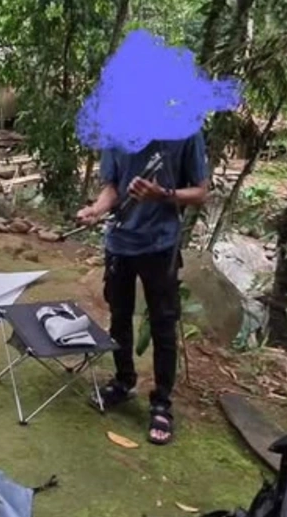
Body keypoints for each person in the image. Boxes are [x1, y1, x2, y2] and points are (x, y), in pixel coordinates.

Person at [75, 133, 209, 445]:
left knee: (163, 324)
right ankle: (123, 382)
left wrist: (162, 193)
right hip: (119, 244)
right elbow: (112, 188)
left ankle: (161, 403)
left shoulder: (186, 131)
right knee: (119, 316)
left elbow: (201, 193)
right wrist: (96, 210)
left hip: (161, 245)